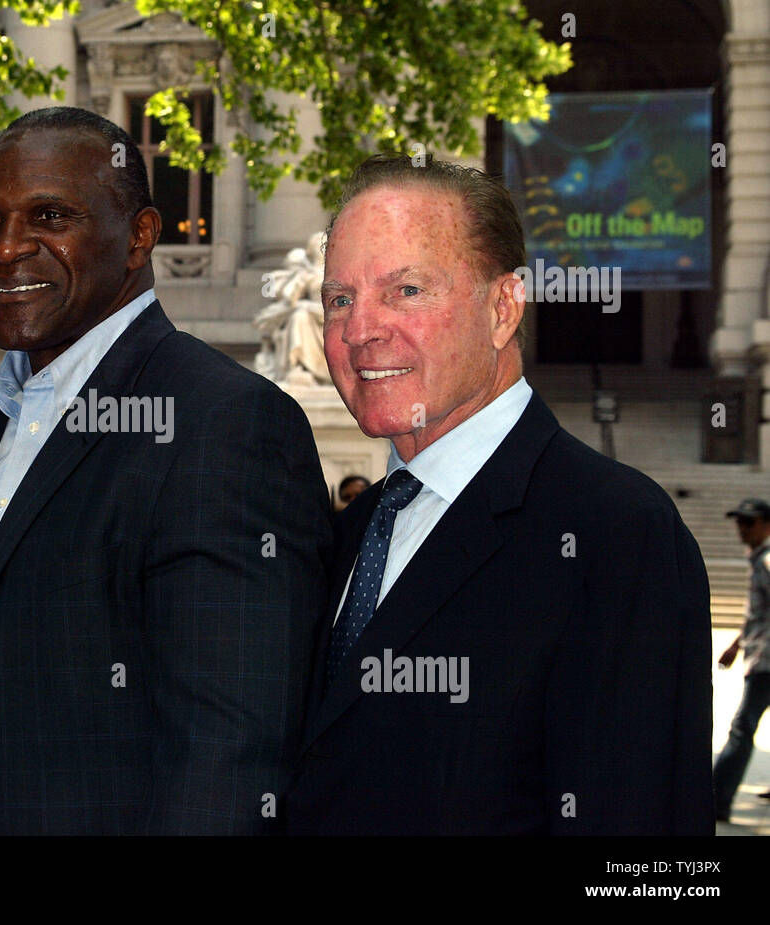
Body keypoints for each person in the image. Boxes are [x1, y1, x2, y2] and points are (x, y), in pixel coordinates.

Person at [0, 107, 333, 834]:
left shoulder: (224, 423)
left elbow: (229, 761)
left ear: (141, 235)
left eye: (49, 215)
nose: (5, 247)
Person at [284, 154, 712, 835]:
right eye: (340, 297)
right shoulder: (347, 529)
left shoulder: (617, 534)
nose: (359, 328)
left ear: (503, 307)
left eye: (407, 290)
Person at [713, 498, 770, 822]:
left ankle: (717, 799)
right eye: (740, 523)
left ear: (765, 524)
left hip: (766, 662)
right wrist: (736, 644)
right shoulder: (759, 558)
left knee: (741, 728)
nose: (742, 530)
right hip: (759, 654)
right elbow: (758, 614)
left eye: (749, 523)